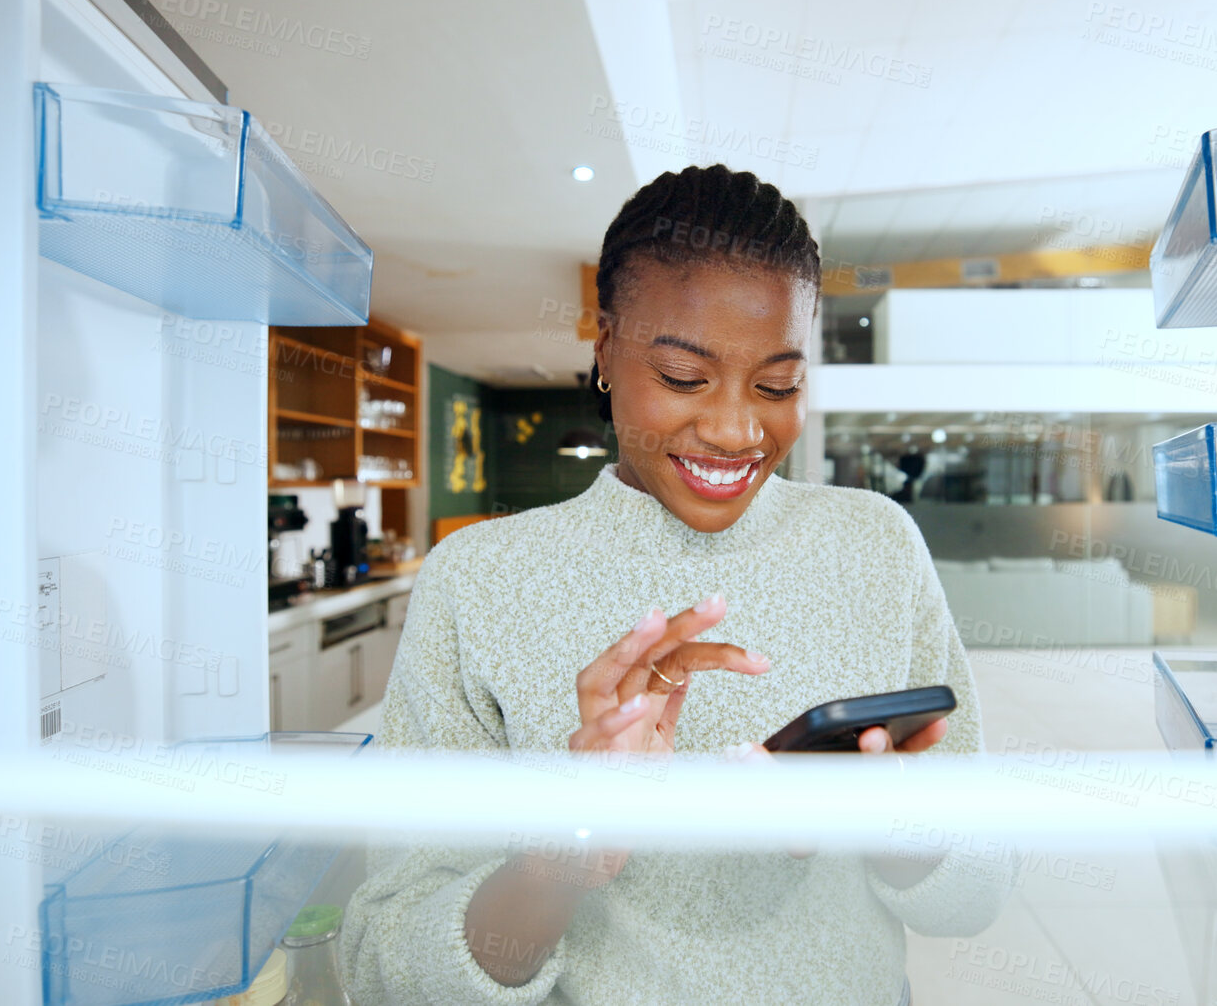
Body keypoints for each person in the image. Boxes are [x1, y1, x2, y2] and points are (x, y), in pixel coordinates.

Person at [342, 164, 1013, 1006]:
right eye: (683, 378)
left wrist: (896, 826)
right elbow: (386, 969)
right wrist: (563, 852)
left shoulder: (876, 543)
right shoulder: (479, 580)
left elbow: (980, 890)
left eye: (778, 384)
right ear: (604, 351)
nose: (735, 428)